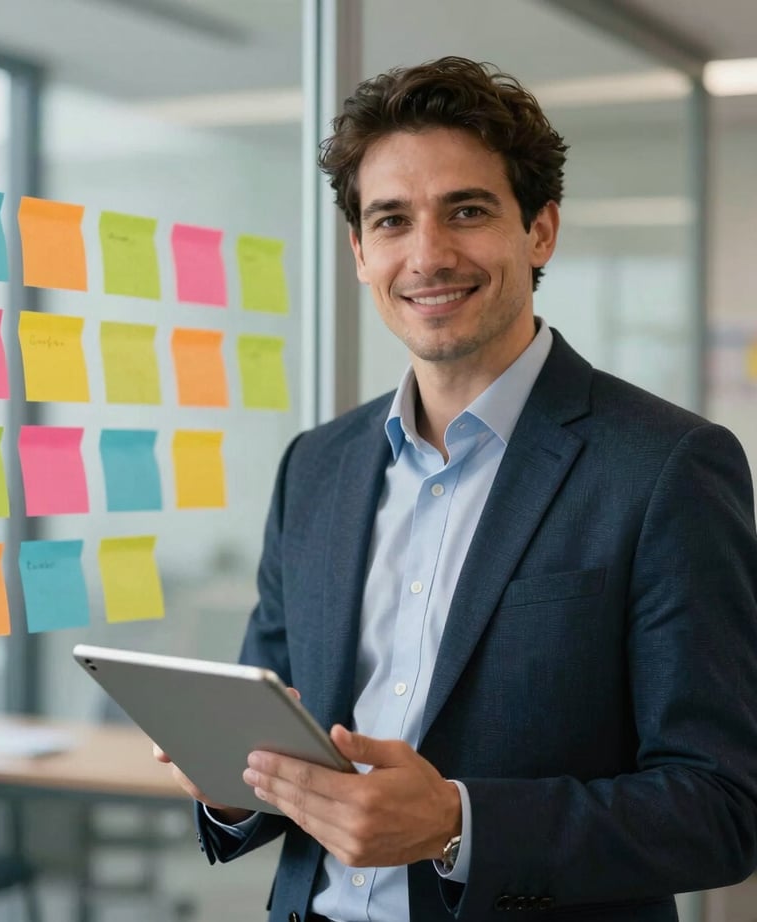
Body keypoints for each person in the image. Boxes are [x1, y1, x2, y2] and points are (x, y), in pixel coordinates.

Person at [156, 56, 757, 921]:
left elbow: (722, 808)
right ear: (361, 252)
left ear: (540, 231)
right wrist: (234, 784)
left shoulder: (667, 466)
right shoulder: (315, 469)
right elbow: (274, 725)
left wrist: (457, 824)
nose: (427, 255)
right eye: (391, 220)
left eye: (467, 211)